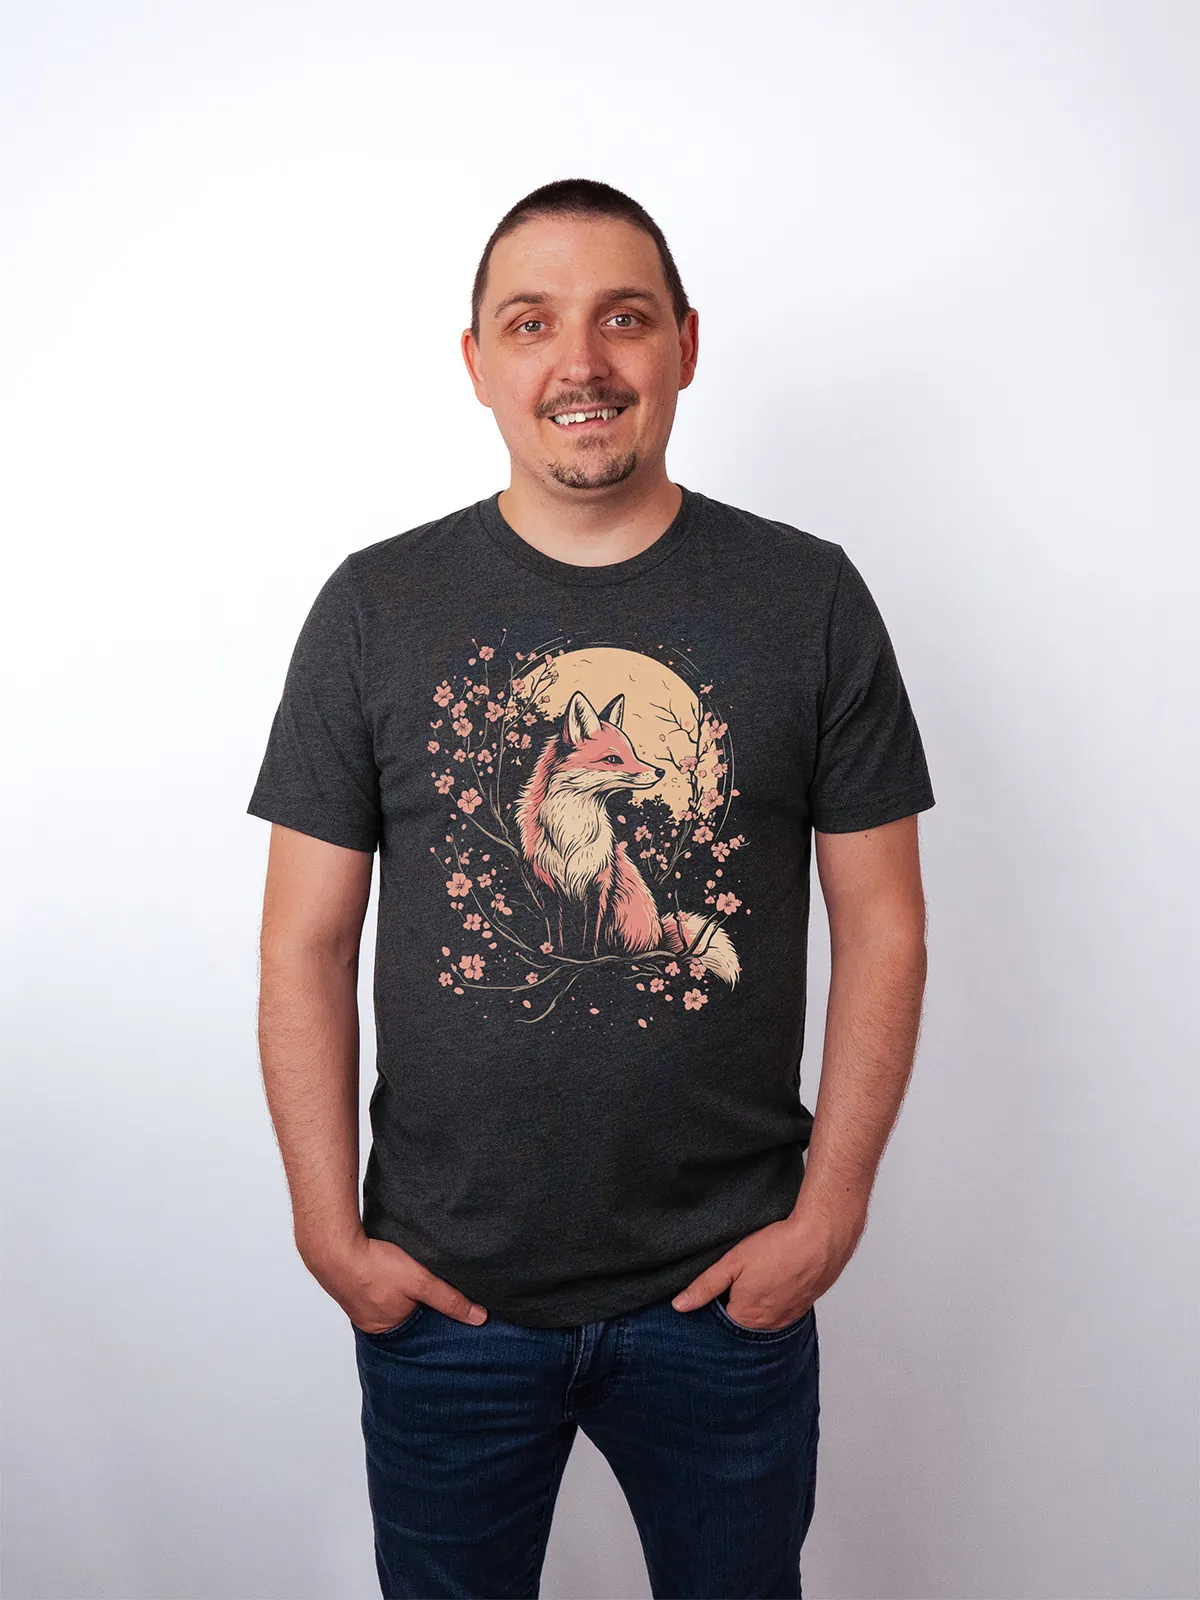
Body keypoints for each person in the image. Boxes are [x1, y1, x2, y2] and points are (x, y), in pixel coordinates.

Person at [246, 177, 934, 1600]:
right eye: (532, 322)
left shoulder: (807, 598)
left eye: (624, 318)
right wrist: (328, 1231)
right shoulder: (376, 607)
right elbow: (305, 945)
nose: (582, 362)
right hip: (448, 1302)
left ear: (686, 344)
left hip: (723, 1293)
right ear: (476, 361)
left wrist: (830, 1216)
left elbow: (885, 924)